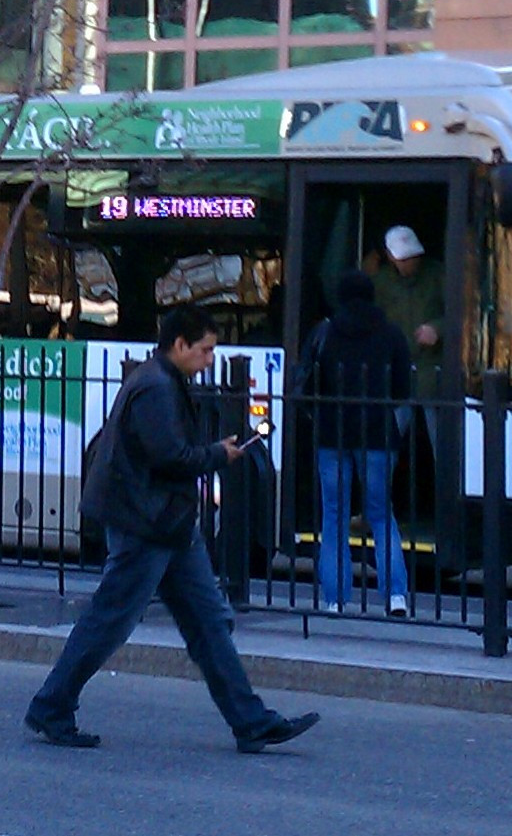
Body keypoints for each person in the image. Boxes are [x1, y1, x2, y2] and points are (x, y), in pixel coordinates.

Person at [26, 306, 322, 753]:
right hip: (147, 524)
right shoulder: (155, 388)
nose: (209, 360)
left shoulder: (160, 381)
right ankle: (52, 704)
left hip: (168, 524)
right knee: (111, 621)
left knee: (207, 623)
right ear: (179, 345)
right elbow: (168, 457)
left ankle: (251, 721)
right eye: (205, 350)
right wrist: (219, 455)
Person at [310, 271, 414, 617]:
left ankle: (336, 598)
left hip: (332, 433)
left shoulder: (325, 332)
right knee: (381, 514)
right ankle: (396, 595)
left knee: (334, 515)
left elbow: (310, 383)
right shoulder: (391, 334)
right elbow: (402, 389)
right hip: (377, 435)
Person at [372, 225, 445, 396]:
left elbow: (463, 315)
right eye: (403, 259)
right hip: (394, 368)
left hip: (432, 368)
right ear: (390, 257)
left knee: (434, 418)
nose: (410, 263)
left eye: (413, 257)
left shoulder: (438, 275)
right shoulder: (380, 283)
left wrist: (438, 329)